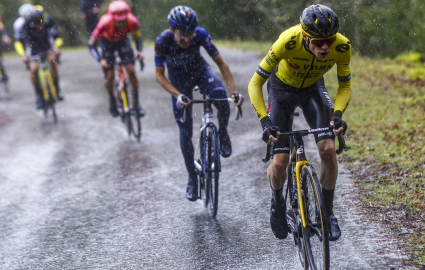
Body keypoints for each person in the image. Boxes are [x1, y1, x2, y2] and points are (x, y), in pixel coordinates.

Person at [248, 4, 351, 241]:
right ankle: (277, 202)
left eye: (329, 39)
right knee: (280, 162)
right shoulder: (288, 41)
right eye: (318, 41)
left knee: (327, 148)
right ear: (305, 36)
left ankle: (327, 214)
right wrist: (265, 122)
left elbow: (345, 85)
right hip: (281, 90)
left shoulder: (342, 46)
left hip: (313, 90)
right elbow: (255, 83)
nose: (325, 47)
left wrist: (337, 113)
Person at [155, 6, 244, 201]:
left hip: (200, 72)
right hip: (178, 83)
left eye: (190, 33)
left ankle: (222, 133)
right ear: (172, 29)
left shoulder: (201, 34)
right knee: (185, 132)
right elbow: (159, 76)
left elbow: (221, 63)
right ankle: (192, 179)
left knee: (220, 96)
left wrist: (234, 91)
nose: (187, 39)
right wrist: (178, 95)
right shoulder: (162, 41)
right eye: (182, 34)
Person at [88, 0, 145, 117]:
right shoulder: (104, 22)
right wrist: (100, 60)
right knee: (110, 76)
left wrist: (139, 52)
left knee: (131, 71)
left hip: (123, 41)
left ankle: (137, 103)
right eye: (119, 21)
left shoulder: (133, 21)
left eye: (125, 20)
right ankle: (112, 101)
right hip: (107, 44)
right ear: (113, 19)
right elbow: (91, 44)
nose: (123, 23)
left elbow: (137, 38)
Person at [15, 9, 64, 109]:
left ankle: (57, 89)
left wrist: (56, 47)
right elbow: (18, 42)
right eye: (37, 25)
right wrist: (23, 55)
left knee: (52, 60)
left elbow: (58, 38)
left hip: (46, 44)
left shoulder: (49, 21)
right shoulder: (26, 25)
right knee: (33, 69)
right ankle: (39, 96)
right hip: (33, 46)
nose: (40, 26)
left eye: (42, 24)